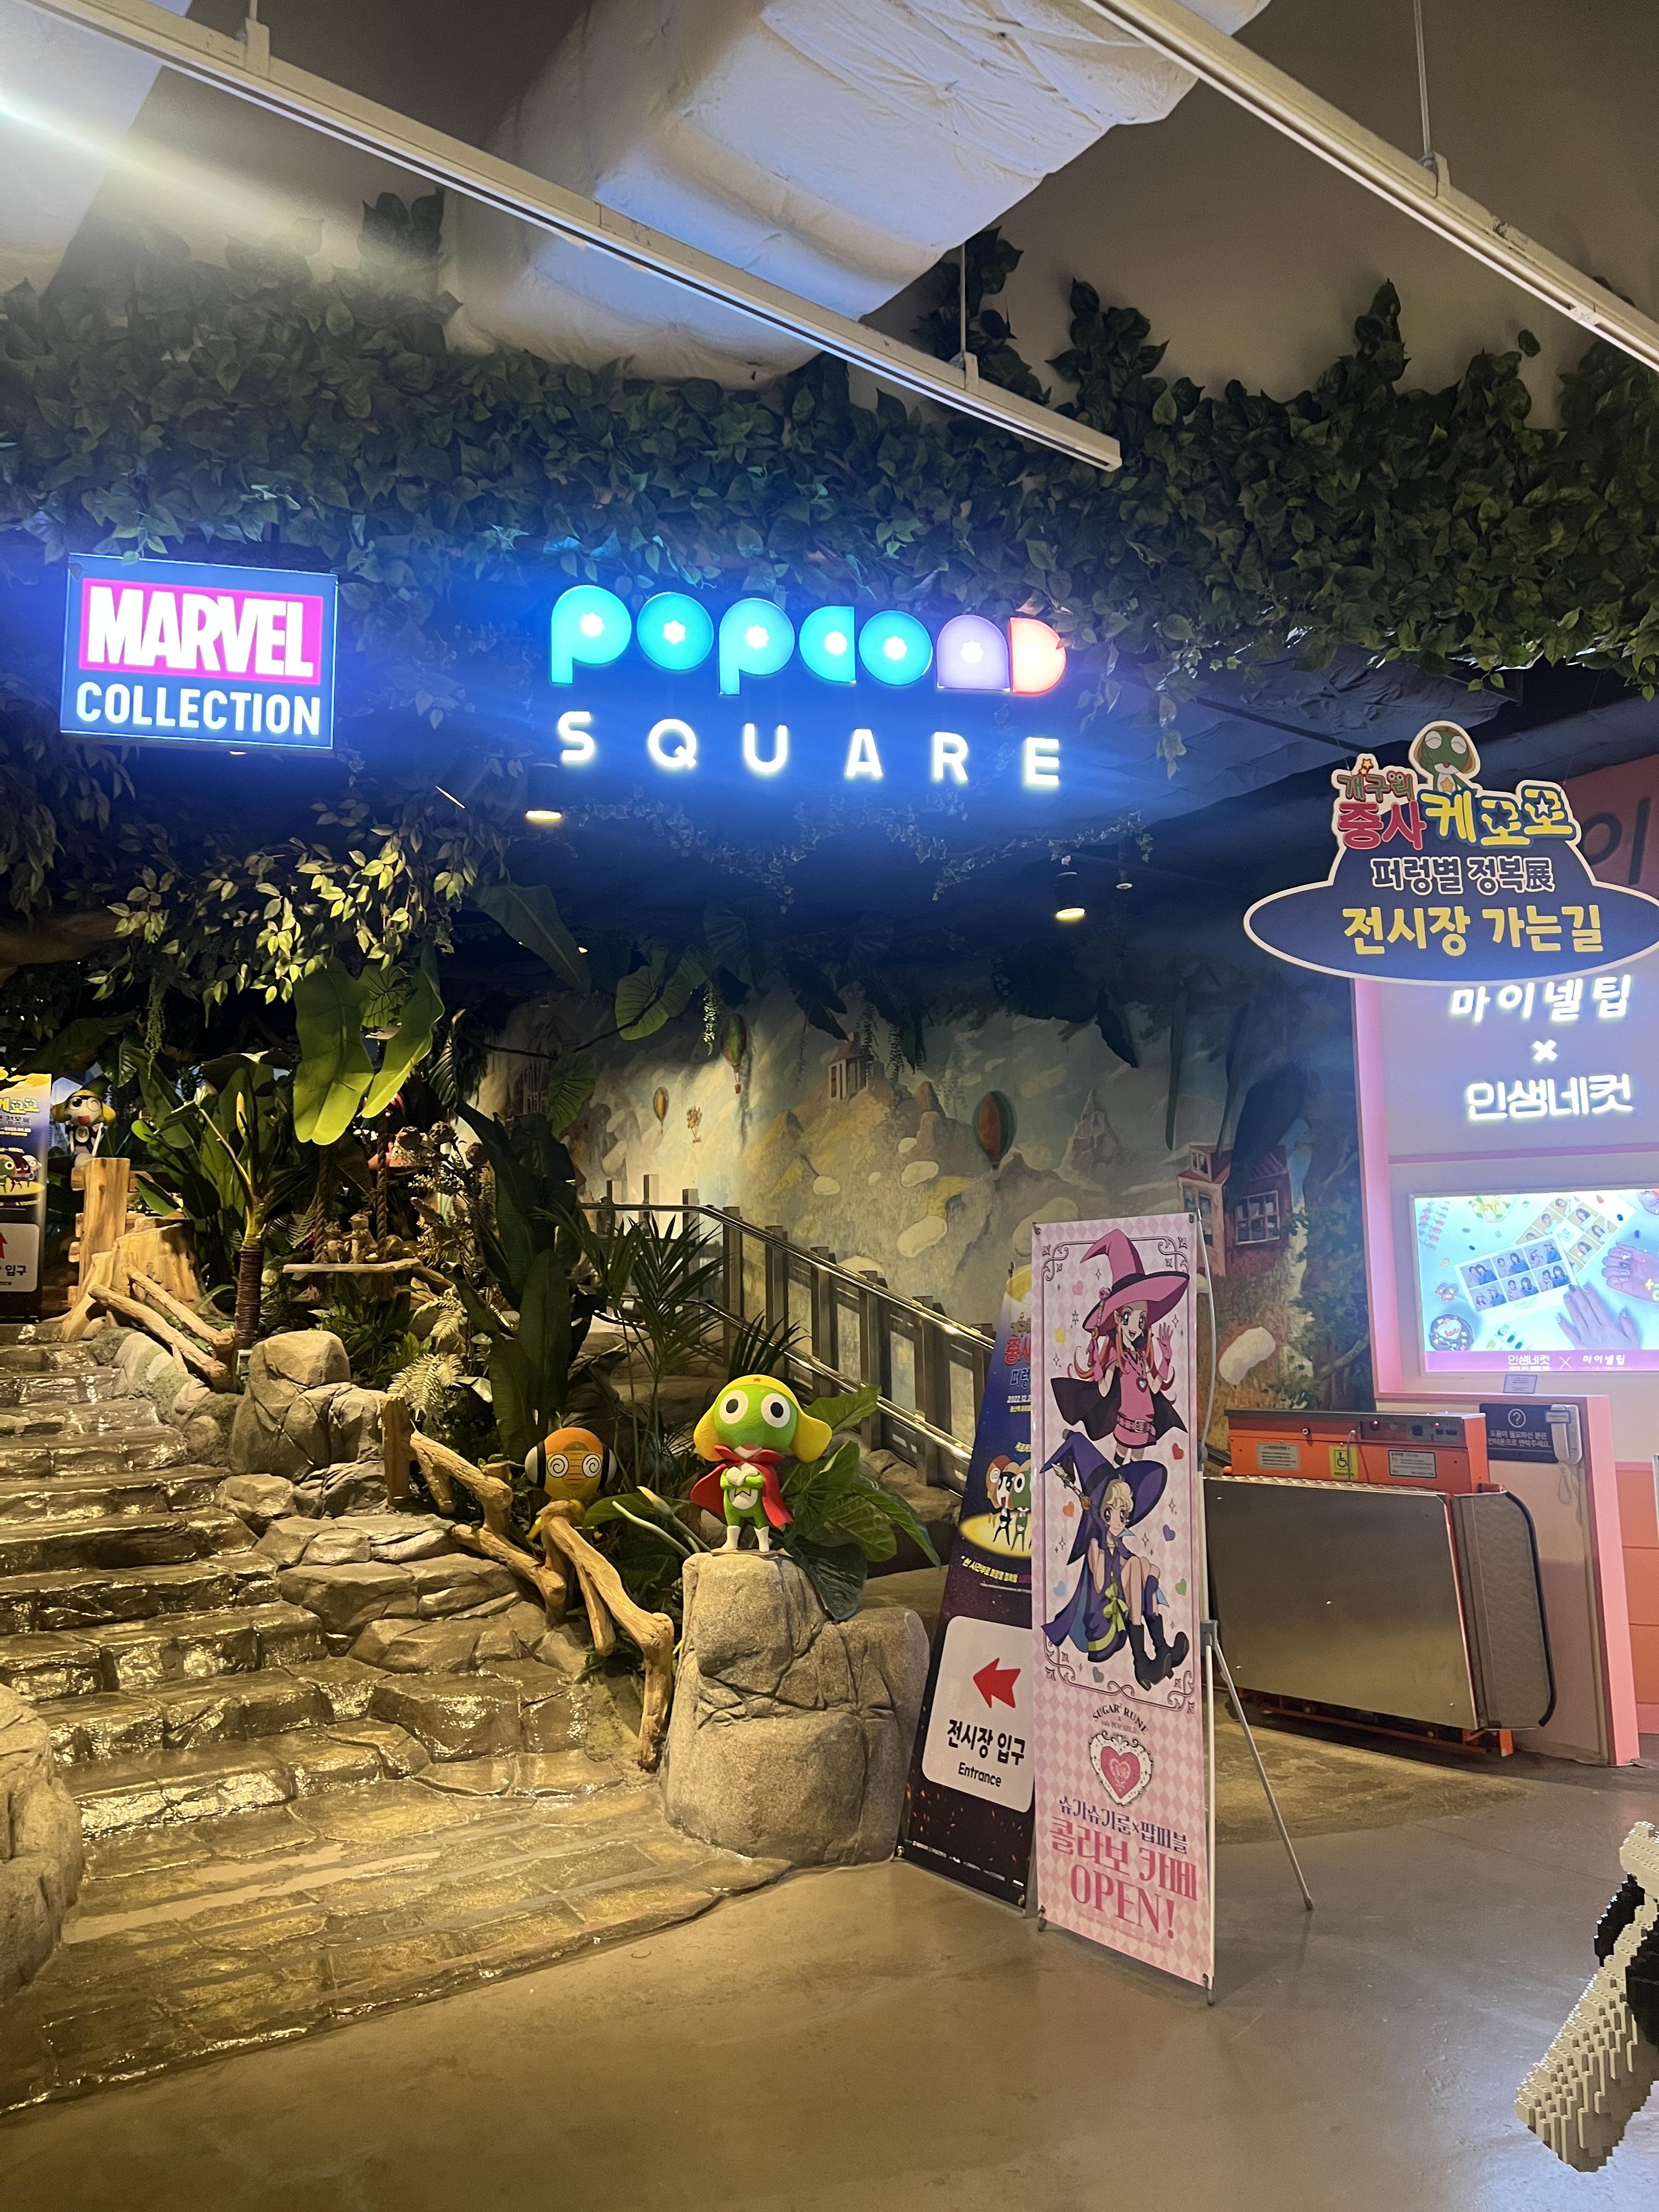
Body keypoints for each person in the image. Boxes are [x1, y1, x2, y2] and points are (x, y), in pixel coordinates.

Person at [1042, 1432, 1189, 1689]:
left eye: (1124, 1514)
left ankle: (1161, 1649)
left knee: (1144, 1566)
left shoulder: (1117, 1543)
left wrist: (1150, 1575)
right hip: (1103, 1618)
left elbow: (1138, 1568)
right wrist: (1102, 1541)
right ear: (1101, 1512)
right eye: (1110, 1513)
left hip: (1122, 1603)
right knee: (1136, 1565)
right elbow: (1100, 1584)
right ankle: (1142, 1660)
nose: (1119, 1521)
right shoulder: (1095, 1543)